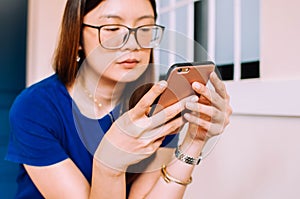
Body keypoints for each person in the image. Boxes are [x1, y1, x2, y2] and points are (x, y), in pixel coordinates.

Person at [5, 0, 232, 198]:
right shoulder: (35, 108)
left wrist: (194, 141)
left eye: (144, 28)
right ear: (77, 38)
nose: (133, 44)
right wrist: (108, 165)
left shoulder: (155, 106)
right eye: (113, 28)